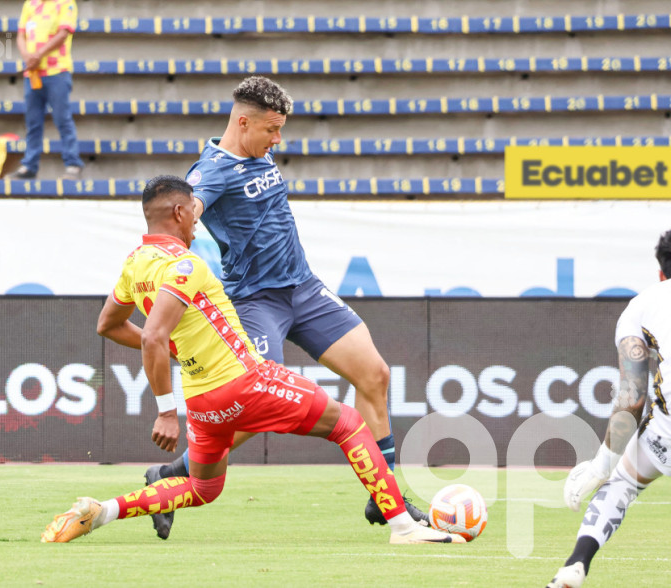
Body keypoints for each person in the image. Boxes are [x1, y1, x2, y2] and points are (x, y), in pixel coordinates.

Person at [41, 175, 463, 546]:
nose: (196, 222)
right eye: (193, 212)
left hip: (204, 402)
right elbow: (153, 334)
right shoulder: (186, 265)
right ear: (178, 211)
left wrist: (174, 351)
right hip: (245, 381)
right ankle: (404, 527)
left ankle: (102, 511)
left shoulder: (135, 264)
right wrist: (165, 410)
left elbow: (109, 325)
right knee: (349, 423)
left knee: (203, 488)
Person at [144, 75, 428, 540]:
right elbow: (184, 213)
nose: (278, 140)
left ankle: (385, 496)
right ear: (243, 122)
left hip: (304, 288)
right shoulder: (209, 173)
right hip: (255, 301)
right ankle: (174, 473)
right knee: (254, 404)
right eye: (272, 130)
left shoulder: (260, 149)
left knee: (374, 374)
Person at [546, 229, 671, 588]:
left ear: (661, 272)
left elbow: (632, 395)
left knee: (620, 483)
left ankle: (575, 565)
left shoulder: (643, 305)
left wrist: (600, 466)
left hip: (666, 431)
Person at [9, 0, 84, 180]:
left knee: (62, 118)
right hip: (33, 73)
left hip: (57, 71)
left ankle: (73, 164)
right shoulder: (30, 4)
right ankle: (29, 166)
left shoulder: (66, 3)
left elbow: (63, 33)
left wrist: (37, 55)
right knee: (33, 121)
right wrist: (27, 56)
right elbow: (21, 34)